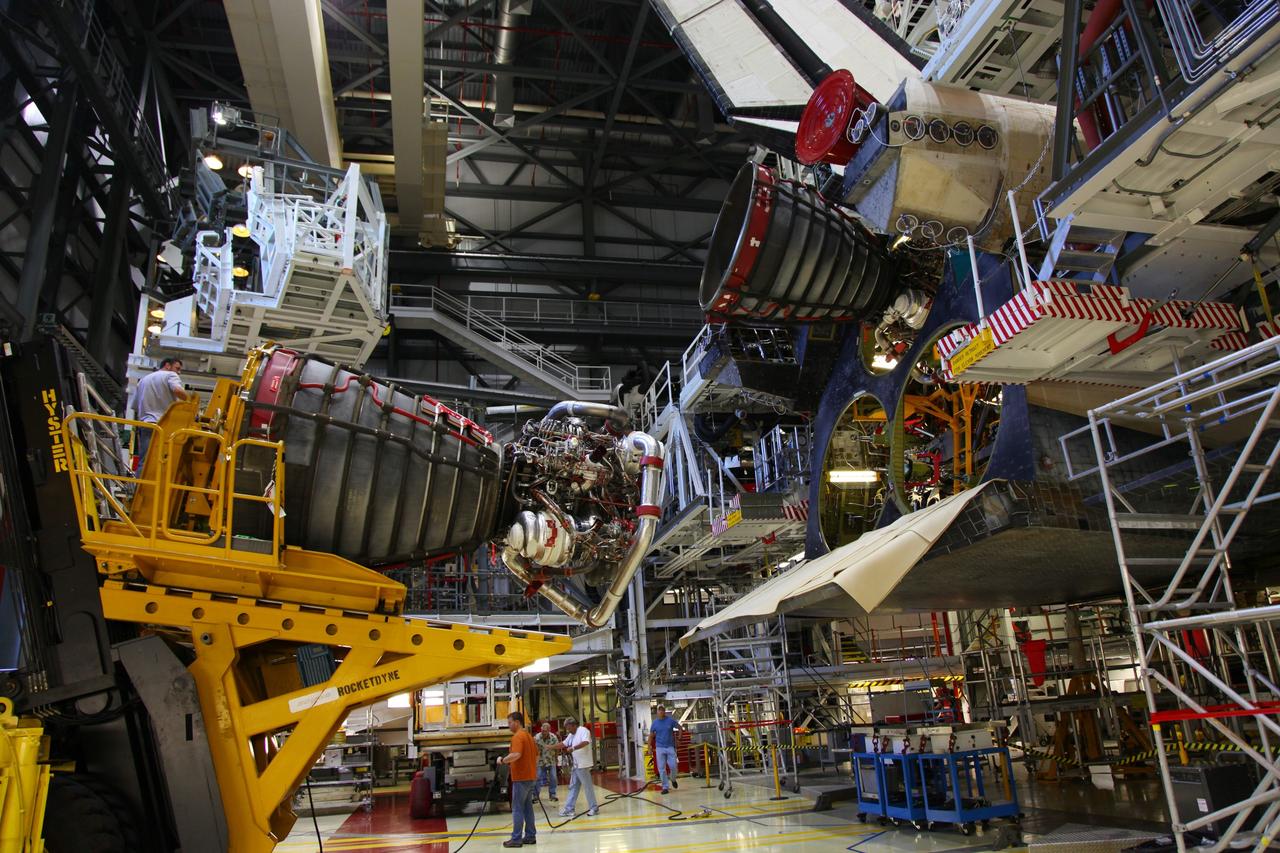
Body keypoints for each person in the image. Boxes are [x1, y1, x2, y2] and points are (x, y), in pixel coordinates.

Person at [129, 357, 187, 465]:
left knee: (144, 461)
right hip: (162, 426)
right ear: (167, 365)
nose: (179, 372)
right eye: (177, 368)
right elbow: (177, 390)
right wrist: (190, 401)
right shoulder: (170, 375)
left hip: (146, 424)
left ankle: (139, 482)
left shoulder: (143, 380)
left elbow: (136, 406)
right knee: (162, 462)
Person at [499, 711, 537, 848]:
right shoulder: (529, 736)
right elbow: (535, 755)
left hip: (521, 778)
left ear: (517, 722)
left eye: (509, 722)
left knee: (517, 808)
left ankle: (516, 838)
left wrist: (503, 760)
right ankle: (530, 836)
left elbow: (516, 754)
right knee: (527, 808)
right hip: (531, 777)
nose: (508, 725)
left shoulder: (517, 737)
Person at [558, 716, 598, 817]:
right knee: (573, 787)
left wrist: (573, 748)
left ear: (574, 725)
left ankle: (594, 808)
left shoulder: (583, 731)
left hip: (583, 765)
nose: (568, 730)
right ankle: (569, 809)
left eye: (569, 728)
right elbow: (564, 743)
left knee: (587, 787)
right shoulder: (572, 734)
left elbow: (586, 742)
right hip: (576, 765)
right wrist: (549, 747)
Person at [649, 705, 681, 794]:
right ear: (657, 712)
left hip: (670, 747)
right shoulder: (655, 723)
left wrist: (679, 739)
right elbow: (651, 736)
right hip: (659, 748)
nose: (661, 712)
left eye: (662, 710)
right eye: (659, 710)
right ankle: (665, 787)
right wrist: (649, 748)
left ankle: (673, 778)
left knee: (673, 766)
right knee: (661, 769)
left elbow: (680, 728)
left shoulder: (670, 721)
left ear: (664, 711)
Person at [533, 721, 560, 802]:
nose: (543, 732)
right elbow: (533, 750)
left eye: (545, 731)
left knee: (553, 777)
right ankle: (535, 795)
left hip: (551, 760)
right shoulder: (536, 738)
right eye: (542, 730)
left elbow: (557, 748)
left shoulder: (553, 737)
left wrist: (556, 758)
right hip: (540, 761)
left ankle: (552, 794)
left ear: (549, 730)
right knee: (537, 777)